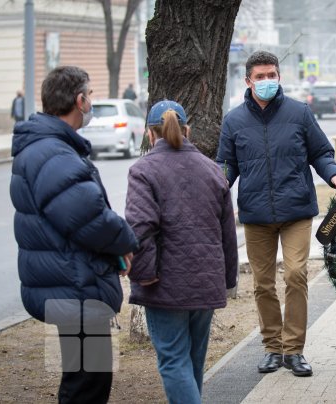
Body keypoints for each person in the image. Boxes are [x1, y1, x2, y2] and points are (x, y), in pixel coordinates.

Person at [9, 66, 138, 403]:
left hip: (69, 282)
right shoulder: (53, 153)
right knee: (87, 386)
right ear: (80, 100)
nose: (92, 102)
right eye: (91, 95)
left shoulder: (46, 147)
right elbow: (87, 215)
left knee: (81, 378)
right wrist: (125, 241)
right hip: (75, 287)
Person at [216, 50, 336, 377]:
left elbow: (320, 152)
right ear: (248, 81)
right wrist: (217, 186)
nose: (267, 81)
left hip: (296, 210)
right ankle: (273, 347)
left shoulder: (299, 113)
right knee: (262, 283)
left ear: (279, 76)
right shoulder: (234, 121)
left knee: (296, 274)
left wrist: (333, 174)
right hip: (256, 215)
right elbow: (226, 164)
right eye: (260, 77)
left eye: (272, 75)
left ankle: (295, 349)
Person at [125, 100, 238, 403]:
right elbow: (228, 230)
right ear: (188, 130)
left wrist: (145, 276)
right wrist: (226, 279)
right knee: (192, 361)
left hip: (164, 285)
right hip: (206, 281)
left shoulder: (143, 170)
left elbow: (140, 228)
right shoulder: (212, 170)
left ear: (150, 134)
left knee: (173, 361)